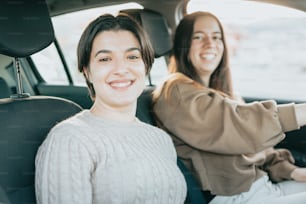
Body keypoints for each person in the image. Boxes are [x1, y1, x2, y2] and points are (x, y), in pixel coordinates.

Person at [152, 11, 306, 204]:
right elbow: (241, 126)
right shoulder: (176, 93)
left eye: (216, 37)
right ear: (183, 44)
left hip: (262, 188)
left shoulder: (219, 93)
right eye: (198, 37)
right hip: (235, 198)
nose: (210, 44)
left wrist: (292, 171)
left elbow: (260, 148)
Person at [35, 13, 187, 204]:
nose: (121, 68)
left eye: (132, 56)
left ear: (146, 67)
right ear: (87, 72)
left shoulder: (160, 139)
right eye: (105, 59)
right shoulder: (69, 139)